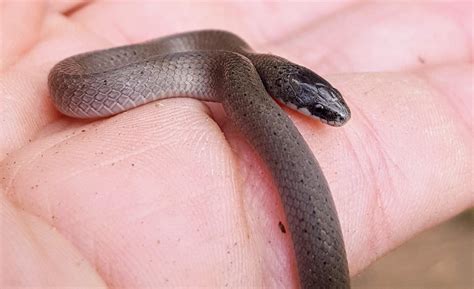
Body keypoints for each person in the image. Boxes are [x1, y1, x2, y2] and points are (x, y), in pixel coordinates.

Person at [0, 1, 471, 287]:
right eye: (321, 111)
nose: (328, 119)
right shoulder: (230, 65)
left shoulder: (234, 63)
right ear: (286, 96)